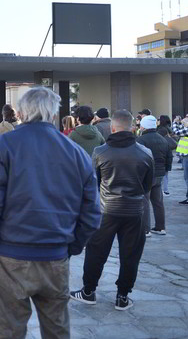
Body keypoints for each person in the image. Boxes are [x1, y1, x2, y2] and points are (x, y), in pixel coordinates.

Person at [0, 87, 101, 339]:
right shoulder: (75, 152)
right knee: (57, 330)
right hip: (55, 256)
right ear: (54, 113)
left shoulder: (2, 146)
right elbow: (92, 212)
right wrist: (72, 246)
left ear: (20, 112)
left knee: (10, 330)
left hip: (11, 257)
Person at [70, 110, 153, 312]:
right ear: (133, 127)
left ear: (112, 128)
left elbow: (92, 184)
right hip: (135, 211)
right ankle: (122, 296)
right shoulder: (145, 153)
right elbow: (147, 185)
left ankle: (88, 291)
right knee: (130, 255)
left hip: (105, 210)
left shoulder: (100, 152)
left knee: (96, 252)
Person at [136, 115, 172, 236]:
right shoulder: (163, 139)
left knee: (145, 201)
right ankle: (160, 227)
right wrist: (166, 170)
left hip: (146, 174)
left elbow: (138, 158)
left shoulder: (140, 140)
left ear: (144, 126)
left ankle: (146, 230)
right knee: (158, 201)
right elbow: (169, 157)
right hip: (159, 173)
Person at [157, 125, 177, 195]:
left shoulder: (159, 142)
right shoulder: (167, 141)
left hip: (160, 163)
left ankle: (162, 190)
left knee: (161, 177)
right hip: (166, 162)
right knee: (165, 176)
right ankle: (165, 190)